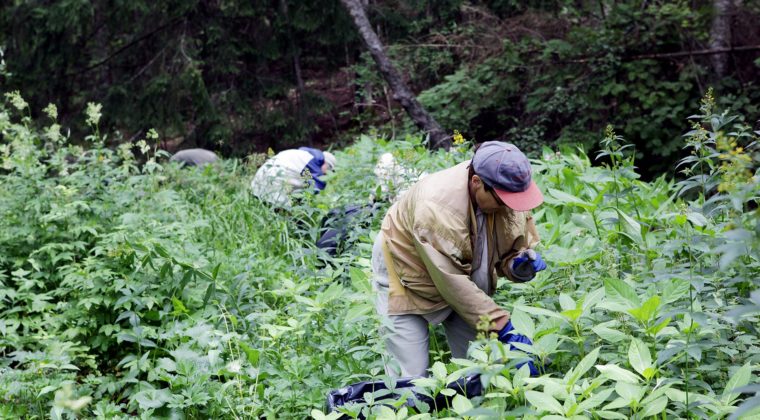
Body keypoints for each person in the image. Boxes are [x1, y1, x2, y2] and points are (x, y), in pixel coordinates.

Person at [372, 141, 547, 378]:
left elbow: (510, 250)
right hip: (405, 271)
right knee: (409, 377)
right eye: (503, 201)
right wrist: (503, 326)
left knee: (478, 367)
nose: (509, 207)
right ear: (477, 183)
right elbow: (451, 281)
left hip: (459, 277)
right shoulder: (436, 206)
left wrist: (518, 264)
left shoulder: (505, 191)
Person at [250, 147, 336, 208]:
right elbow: (316, 186)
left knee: (273, 213)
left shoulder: (305, 155)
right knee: (286, 215)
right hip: (274, 178)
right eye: (328, 169)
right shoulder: (313, 161)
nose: (326, 174)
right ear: (325, 162)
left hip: (261, 178)